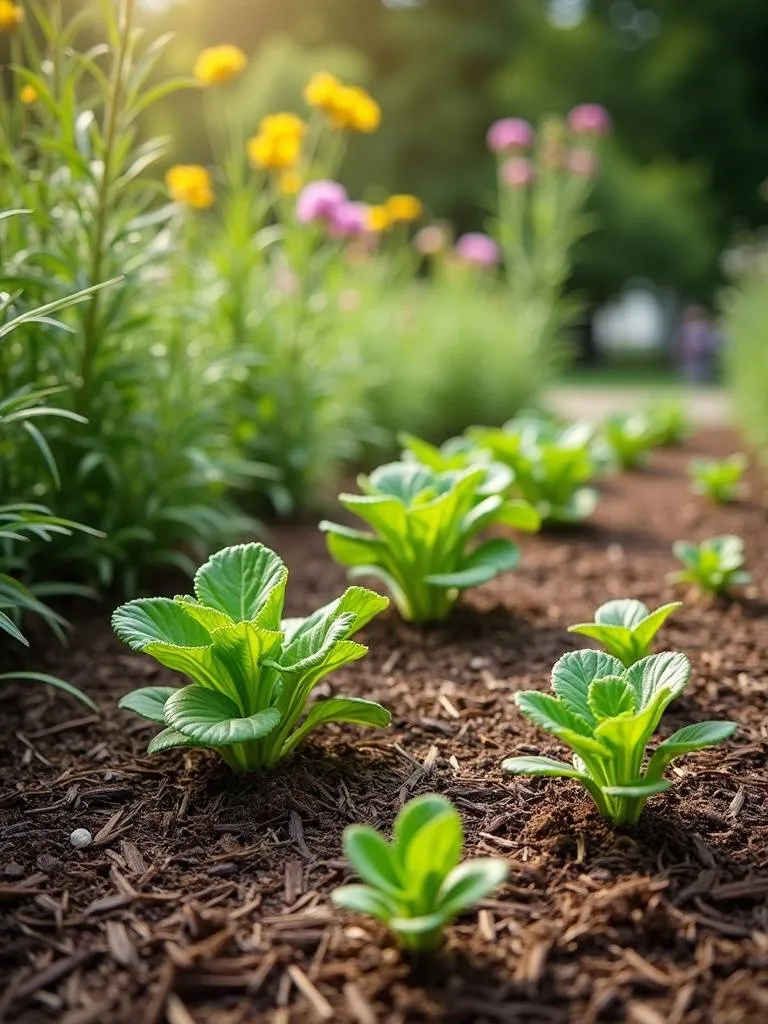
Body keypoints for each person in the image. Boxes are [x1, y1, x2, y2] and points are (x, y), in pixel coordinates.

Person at [677, 305, 720, 383]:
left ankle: (703, 384)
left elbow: (708, 340)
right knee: (693, 372)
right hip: (691, 354)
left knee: (703, 371)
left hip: (702, 353)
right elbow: (683, 341)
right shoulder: (686, 327)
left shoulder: (703, 326)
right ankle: (696, 386)